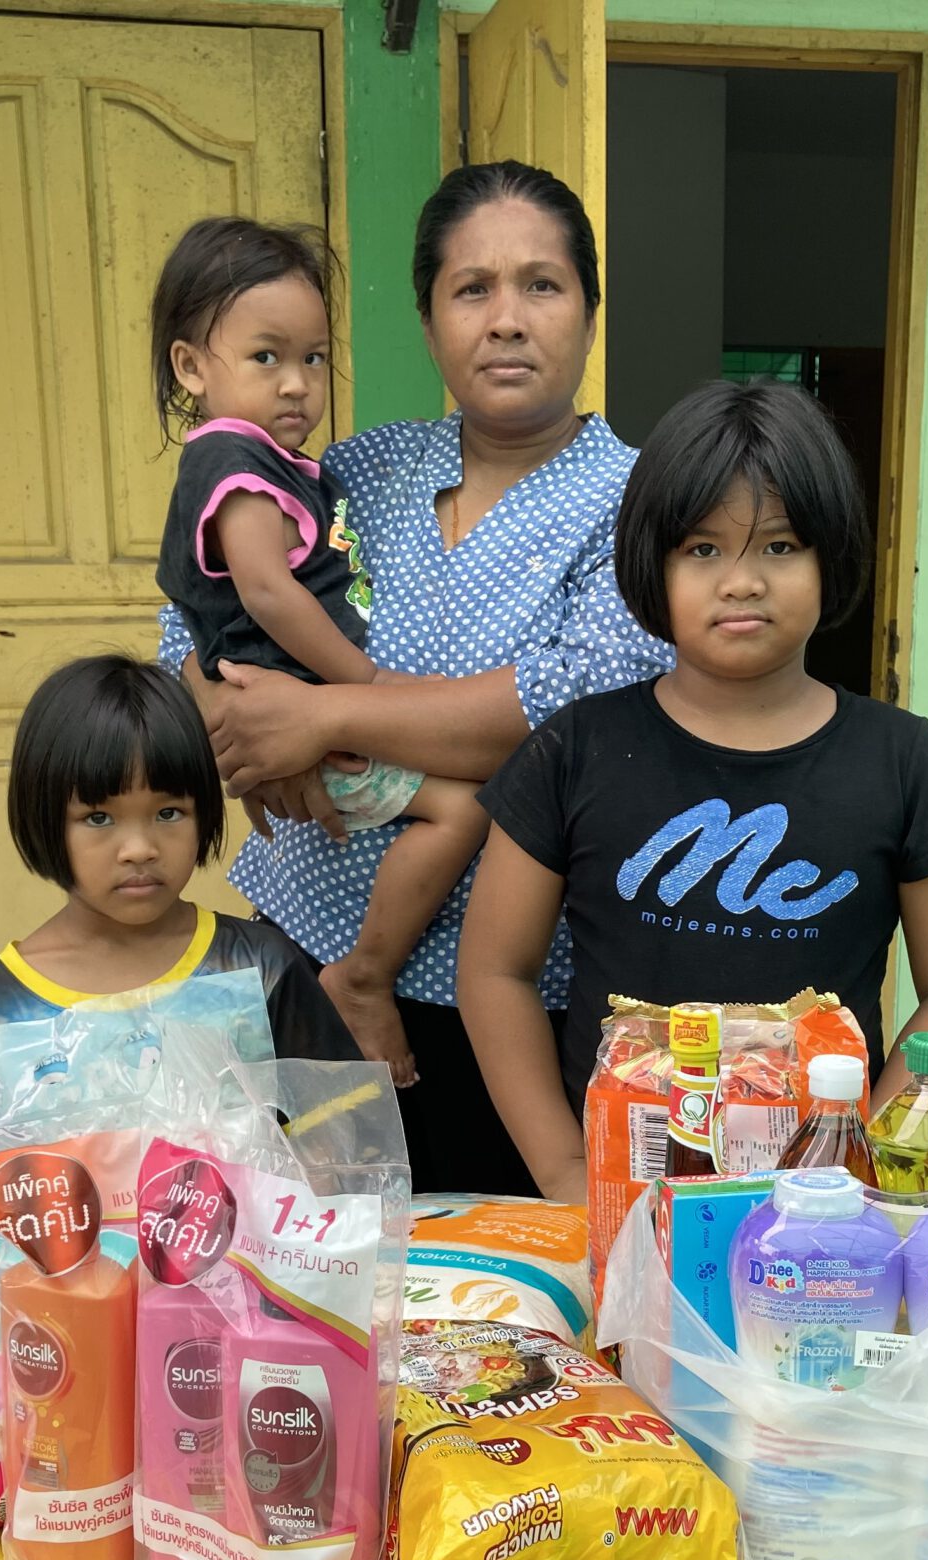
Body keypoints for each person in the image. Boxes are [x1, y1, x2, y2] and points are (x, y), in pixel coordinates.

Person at [165, 160, 669, 1197]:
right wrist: (242, 728)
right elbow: (195, 610)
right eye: (470, 289)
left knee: (498, 1270)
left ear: (589, 312)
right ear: (431, 323)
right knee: (310, 1252)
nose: (506, 320)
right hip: (303, 942)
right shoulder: (356, 469)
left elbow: (572, 702)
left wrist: (322, 719)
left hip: (518, 987)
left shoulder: (642, 503)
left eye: (541, 285)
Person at [458, 380, 928, 1207]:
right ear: (651, 564)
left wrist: (865, 1159)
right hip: (621, 1189)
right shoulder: (574, 751)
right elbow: (494, 972)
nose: (742, 581)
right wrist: (564, 1170)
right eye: (702, 549)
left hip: (818, 1207)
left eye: (780, 546)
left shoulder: (903, 760)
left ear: (831, 557)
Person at [150, 216, 490, 1088]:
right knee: (461, 811)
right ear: (191, 367)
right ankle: (368, 973)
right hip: (304, 731)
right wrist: (361, 689)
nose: (298, 384)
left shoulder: (281, 464)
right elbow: (264, 593)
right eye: (266, 357)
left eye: (312, 358)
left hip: (309, 730)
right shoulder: (240, 468)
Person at [0, 654, 356, 1210]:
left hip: (246, 1263)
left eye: (168, 813)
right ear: (42, 819)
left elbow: (340, 1154)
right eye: (98, 818)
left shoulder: (260, 968)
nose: (140, 849)